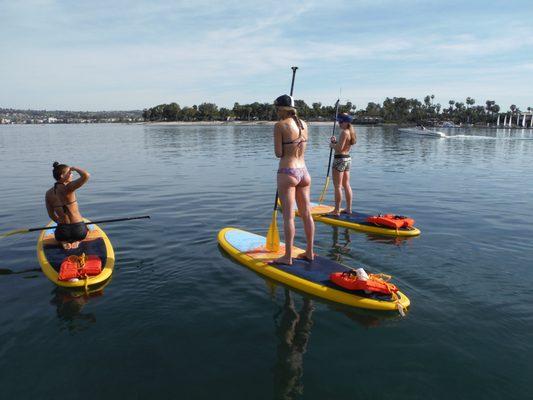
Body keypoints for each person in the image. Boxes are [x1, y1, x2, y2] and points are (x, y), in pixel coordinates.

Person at [272, 94, 314, 265]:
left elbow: (278, 153)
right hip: (304, 171)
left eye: (276, 109)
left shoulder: (280, 126)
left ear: (281, 109)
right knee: (306, 214)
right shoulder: (304, 125)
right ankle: (310, 252)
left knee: (288, 216)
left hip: (287, 172)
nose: (276, 112)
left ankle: (287, 257)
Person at [45, 162, 90, 249]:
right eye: (69, 172)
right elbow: (86, 175)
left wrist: (61, 224)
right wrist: (75, 168)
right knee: (86, 231)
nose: (71, 174)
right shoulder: (69, 187)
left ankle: (64, 242)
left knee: (62, 237)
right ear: (62, 176)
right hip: (78, 230)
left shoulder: (48, 193)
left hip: (62, 232)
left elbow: (51, 215)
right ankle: (78, 241)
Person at [329, 113, 356, 216]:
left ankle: (336, 210)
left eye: (340, 122)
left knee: (337, 186)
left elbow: (339, 149)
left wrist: (332, 145)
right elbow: (343, 146)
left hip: (339, 159)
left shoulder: (344, 132)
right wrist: (335, 142)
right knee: (346, 185)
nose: (339, 124)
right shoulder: (350, 132)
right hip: (347, 159)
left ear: (346, 122)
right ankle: (348, 209)